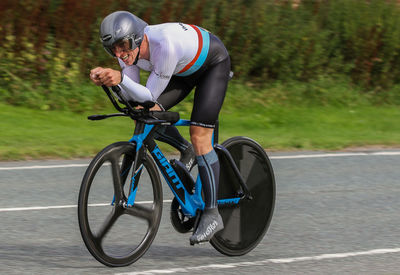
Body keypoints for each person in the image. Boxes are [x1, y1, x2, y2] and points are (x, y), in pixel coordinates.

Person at [89, 11, 231, 244]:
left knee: (200, 135)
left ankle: (213, 213)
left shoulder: (164, 45)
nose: (120, 54)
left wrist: (120, 79)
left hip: (212, 65)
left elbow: (149, 95)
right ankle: (185, 150)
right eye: (112, 49)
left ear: (136, 38)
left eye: (123, 46)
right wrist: (109, 79)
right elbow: (134, 95)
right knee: (142, 114)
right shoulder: (126, 51)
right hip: (182, 69)